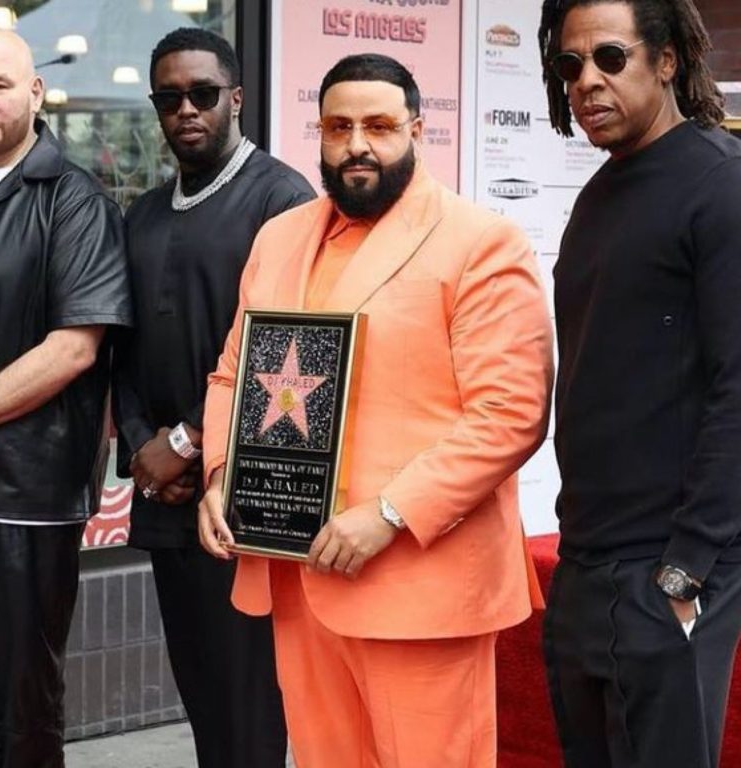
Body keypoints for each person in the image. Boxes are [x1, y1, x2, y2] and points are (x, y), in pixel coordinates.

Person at [198, 53, 553, 768]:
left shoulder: (481, 242)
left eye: (379, 126)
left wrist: (390, 514)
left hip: (419, 582)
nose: (357, 144)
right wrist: (218, 476)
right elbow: (234, 375)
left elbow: (511, 414)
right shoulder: (279, 238)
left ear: (416, 130)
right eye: (339, 127)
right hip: (295, 572)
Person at [538, 2, 741, 766]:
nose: (587, 81)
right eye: (570, 65)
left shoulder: (721, 185)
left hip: (671, 570)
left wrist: (686, 571)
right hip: (586, 563)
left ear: (667, 61)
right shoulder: (599, 196)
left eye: (610, 58)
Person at [111, 28, 314, 768]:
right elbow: (122, 349)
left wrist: (190, 442)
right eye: (170, 99)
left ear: (236, 97)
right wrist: (145, 447)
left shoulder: (283, 198)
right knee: (200, 689)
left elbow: (287, 355)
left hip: (244, 494)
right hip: (166, 491)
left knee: (248, 697)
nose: (186, 111)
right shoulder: (142, 213)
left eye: (202, 94)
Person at [0, 29, 132, 768]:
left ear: (35, 93)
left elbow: (74, 348)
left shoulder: (74, 201)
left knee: (20, 713)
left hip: (23, 499)